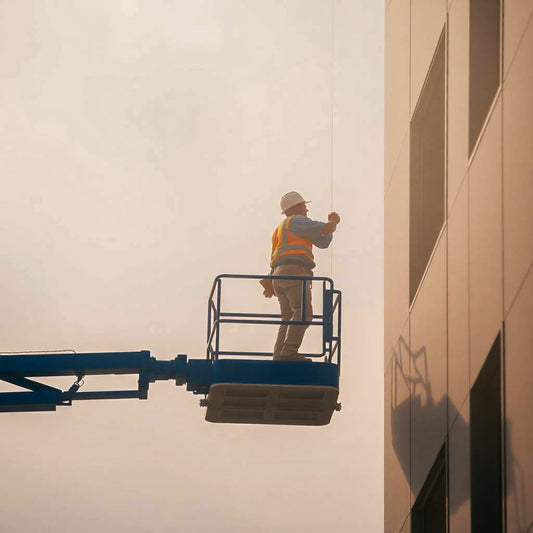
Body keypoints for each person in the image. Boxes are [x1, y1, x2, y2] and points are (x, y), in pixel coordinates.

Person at [262, 191, 340, 361]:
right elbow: (327, 228)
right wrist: (333, 221)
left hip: (279, 276)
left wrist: (270, 280)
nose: (306, 210)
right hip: (294, 273)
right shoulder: (297, 221)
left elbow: (324, 242)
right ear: (296, 207)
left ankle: (279, 355)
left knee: (288, 317)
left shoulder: (281, 229)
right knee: (303, 313)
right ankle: (289, 351)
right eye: (304, 206)